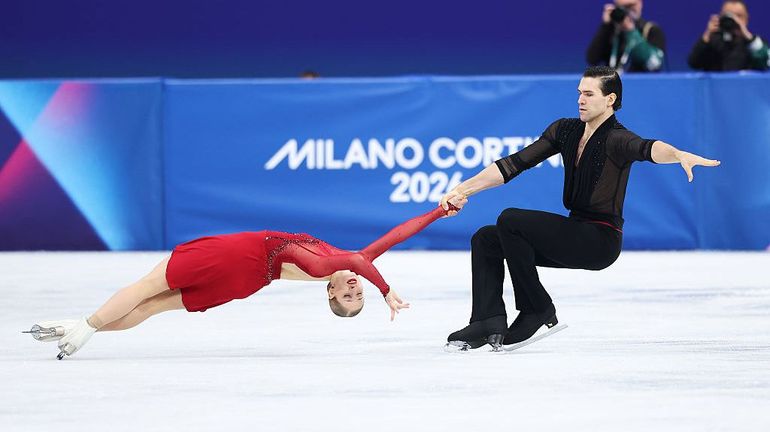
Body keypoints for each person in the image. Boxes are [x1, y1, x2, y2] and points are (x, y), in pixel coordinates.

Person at [440, 66, 720, 351]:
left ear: (610, 99)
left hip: (599, 240)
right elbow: (514, 164)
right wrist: (463, 189)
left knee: (510, 219)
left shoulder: (617, 138)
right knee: (486, 239)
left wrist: (677, 154)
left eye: (588, 94)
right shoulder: (566, 130)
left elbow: (648, 149)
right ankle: (488, 319)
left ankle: (537, 308)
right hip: (575, 229)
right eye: (579, 93)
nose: (580, 100)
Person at [25, 204, 459, 359]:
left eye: (347, 294)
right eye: (356, 292)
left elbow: (360, 264)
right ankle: (77, 326)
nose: (353, 287)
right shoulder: (354, 261)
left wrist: (385, 291)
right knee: (153, 306)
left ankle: (83, 328)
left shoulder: (334, 265)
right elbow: (399, 234)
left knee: (147, 290)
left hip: (239, 256)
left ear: (330, 290)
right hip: (247, 278)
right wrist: (440, 211)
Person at [688, 0, 769, 72]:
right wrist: (707, 34)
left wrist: (748, 36)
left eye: (738, 16)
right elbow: (694, 63)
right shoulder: (712, 41)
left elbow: (767, 63)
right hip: (717, 88)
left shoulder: (755, 44)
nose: (734, 20)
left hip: (745, 88)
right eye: (729, 15)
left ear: (746, 19)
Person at [586, 0, 666, 72]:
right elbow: (592, 59)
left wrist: (631, 31)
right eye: (623, 7)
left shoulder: (651, 30)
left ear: (640, 4)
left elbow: (655, 64)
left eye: (631, 6)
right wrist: (605, 26)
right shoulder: (612, 31)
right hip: (614, 85)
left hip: (642, 84)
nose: (628, 11)